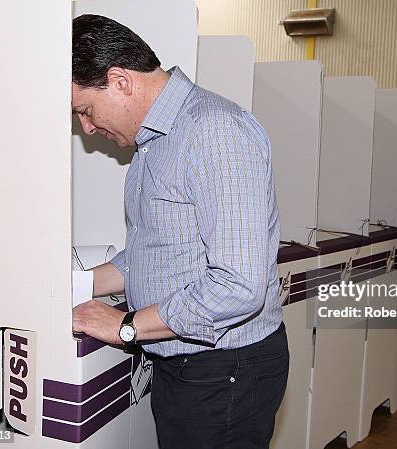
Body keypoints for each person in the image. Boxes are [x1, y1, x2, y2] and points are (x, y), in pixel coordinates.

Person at [70, 15, 288, 449]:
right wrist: (72, 285)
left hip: (224, 370)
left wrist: (127, 327)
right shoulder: (154, 143)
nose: (87, 128)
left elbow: (238, 286)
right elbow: (149, 255)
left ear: (119, 81)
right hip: (189, 365)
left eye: (85, 110)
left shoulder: (213, 130)